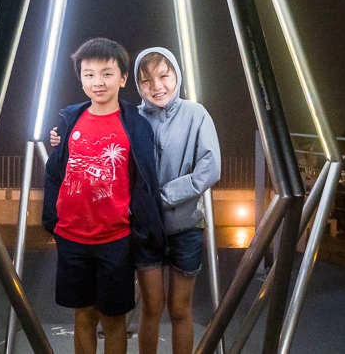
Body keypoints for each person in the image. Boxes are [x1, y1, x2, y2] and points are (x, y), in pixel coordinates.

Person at [51, 46, 221, 354]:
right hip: (143, 230)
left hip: (186, 227)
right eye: (147, 81)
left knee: (181, 309)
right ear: (137, 85)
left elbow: (209, 168)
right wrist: (60, 136)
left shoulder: (196, 114)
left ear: (177, 76)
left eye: (164, 77)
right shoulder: (133, 118)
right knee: (151, 308)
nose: (157, 86)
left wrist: (158, 198)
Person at [42, 38, 165, 354]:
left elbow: (145, 180)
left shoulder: (136, 124)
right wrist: (52, 220)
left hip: (116, 240)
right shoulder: (69, 120)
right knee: (82, 315)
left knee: (114, 320)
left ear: (123, 78)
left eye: (107, 73)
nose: (98, 82)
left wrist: (144, 229)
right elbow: (56, 171)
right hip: (71, 237)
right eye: (89, 74)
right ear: (80, 78)